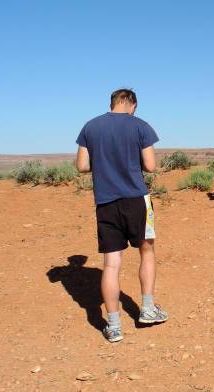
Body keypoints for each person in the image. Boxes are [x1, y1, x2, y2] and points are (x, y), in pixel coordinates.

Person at [75, 88, 168, 343]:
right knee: (146, 250)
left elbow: (82, 166)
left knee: (111, 264)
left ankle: (113, 326)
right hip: (136, 199)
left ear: (113, 103)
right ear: (132, 104)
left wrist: (105, 162)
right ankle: (147, 309)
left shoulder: (90, 127)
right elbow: (150, 165)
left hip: (105, 202)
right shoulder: (140, 126)